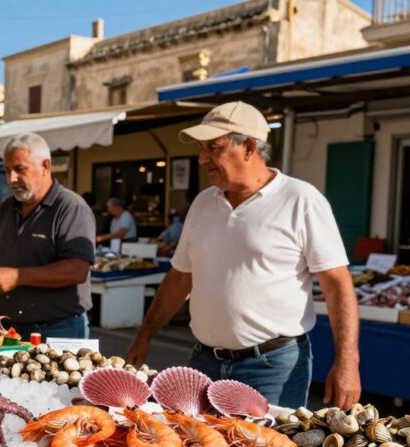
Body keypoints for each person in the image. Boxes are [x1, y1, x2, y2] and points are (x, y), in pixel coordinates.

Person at [125, 101, 361, 410]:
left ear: (249, 146)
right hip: (203, 360)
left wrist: (347, 362)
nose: (202, 158)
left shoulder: (301, 200)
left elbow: (337, 284)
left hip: (272, 367)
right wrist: (144, 335)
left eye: (213, 147)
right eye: (202, 148)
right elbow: (180, 278)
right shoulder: (203, 203)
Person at [0, 133, 96, 339]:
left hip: (58, 330)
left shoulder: (70, 207)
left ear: (45, 166)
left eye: (20, 170)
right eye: (7, 171)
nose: (11, 179)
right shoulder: (7, 208)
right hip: (9, 328)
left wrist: (18, 277)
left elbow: (77, 270)